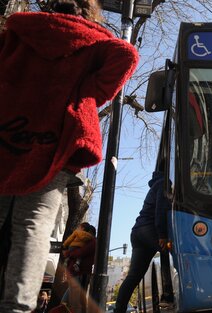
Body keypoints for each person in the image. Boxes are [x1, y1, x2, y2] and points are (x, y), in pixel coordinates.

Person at [0, 1, 139, 311]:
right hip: (55, 144)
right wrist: (87, 93)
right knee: (32, 226)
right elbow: (127, 54)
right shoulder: (91, 41)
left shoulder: (19, 31)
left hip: (9, 134)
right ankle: (17, 306)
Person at [114, 164, 173, 313]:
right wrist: (162, 235)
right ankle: (168, 294)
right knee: (170, 253)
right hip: (150, 229)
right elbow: (161, 209)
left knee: (134, 276)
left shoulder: (155, 185)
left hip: (137, 232)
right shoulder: (164, 184)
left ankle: (118, 310)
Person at [63, 223, 96, 313]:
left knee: (74, 302)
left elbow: (81, 252)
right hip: (76, 273)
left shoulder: (92, 242)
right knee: (69, 301)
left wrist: (68, 254)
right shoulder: (86, 241)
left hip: (79, 273)